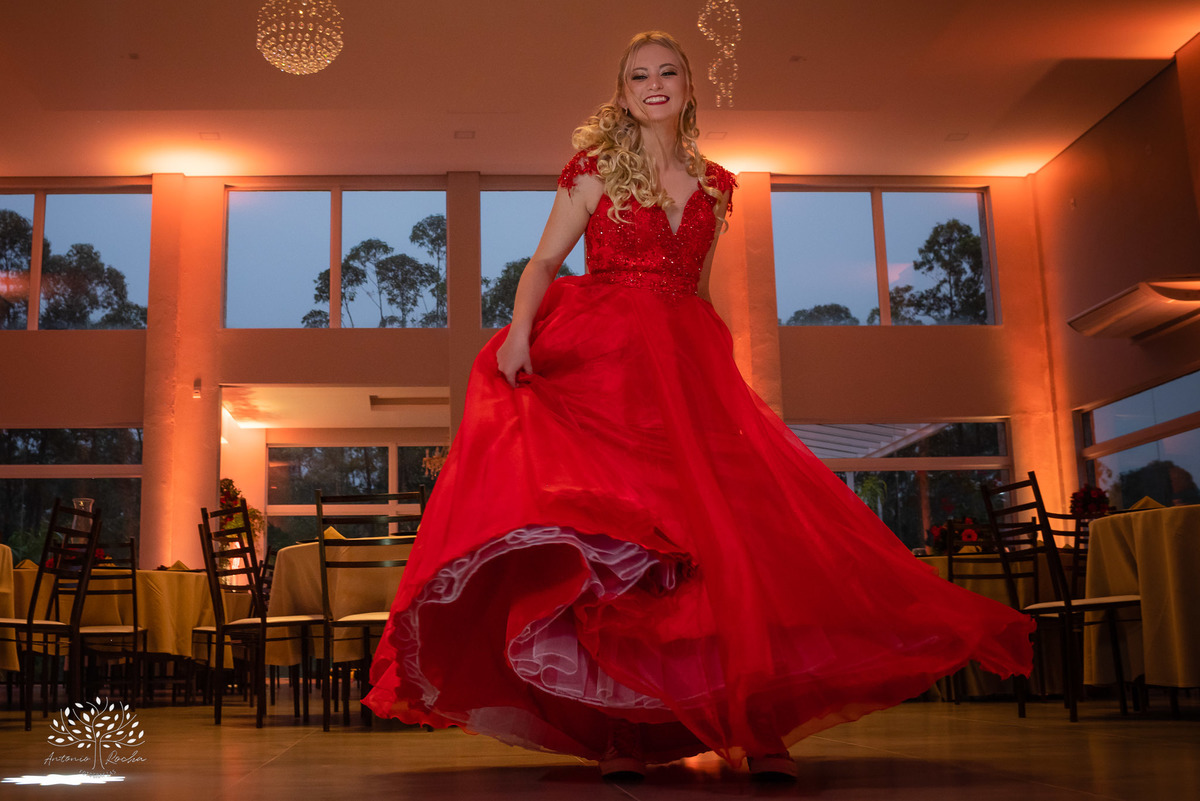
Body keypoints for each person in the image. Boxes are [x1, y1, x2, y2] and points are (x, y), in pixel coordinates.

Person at [364, 30, 1034, 782]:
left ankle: (759, 727)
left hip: (688, 365)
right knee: (626, 554)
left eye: (668, 72)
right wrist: (520, 331)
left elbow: (703, 291)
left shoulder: (718, 183)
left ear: (688, 87)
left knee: (730, 547)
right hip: (606, 362)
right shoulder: (595, 170)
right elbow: (545, 261)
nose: (654, 84)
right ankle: (625, 732)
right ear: (623, 94)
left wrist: (715, 374)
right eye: (639, 75)